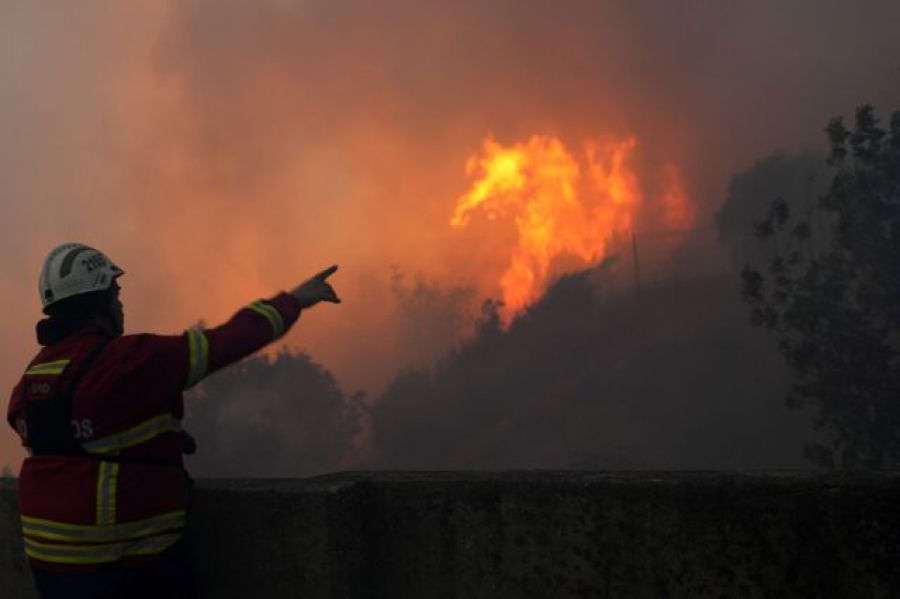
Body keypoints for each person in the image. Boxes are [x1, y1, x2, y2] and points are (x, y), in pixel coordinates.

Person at [6, 242, 340, 598]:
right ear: (97, 304)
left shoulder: (33, 378)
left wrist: (160, 437)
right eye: (114, 292)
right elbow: (228, 341)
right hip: (127, 571)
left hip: (52, 573)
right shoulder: (131, 361)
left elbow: (78, 439)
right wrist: (294, 300)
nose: (120, 302)